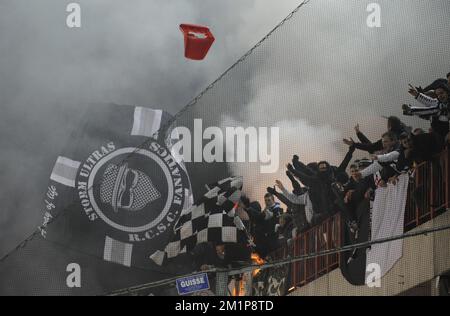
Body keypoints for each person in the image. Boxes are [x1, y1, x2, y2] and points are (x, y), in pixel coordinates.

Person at [344, 116, 408, 154]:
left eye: (388, 124)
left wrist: (354, 144)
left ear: (390, 126)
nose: (384, 143)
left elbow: (372, 147)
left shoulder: (391, 136)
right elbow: (372, 147)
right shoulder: (402, 132)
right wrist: (359, 133)